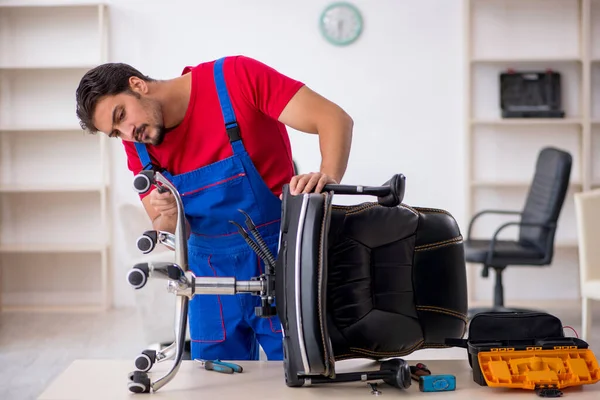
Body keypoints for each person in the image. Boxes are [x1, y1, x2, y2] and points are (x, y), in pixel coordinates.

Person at [74, 55, 353, 362]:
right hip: (207, 278)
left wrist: (328, 179)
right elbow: (165, 227)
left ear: (138, 85)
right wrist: (168, 213)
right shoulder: (138, 142)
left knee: (300, 371)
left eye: (120, 115)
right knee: (215, 383)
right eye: (115, 133)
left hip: (281, 260)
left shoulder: (235, 78)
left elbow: (333, 119)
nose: (126, 133)